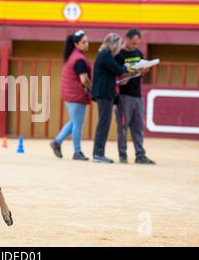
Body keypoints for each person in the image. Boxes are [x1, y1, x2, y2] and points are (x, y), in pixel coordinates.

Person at [115, 29, 155, 165]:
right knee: (122, 127)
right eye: (133, 43)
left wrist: (144, 70)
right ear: (126, 39)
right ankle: (122, 154)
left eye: (137, 44)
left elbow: (141, 69)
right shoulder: (118, 54)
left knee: (138, 126)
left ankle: (140, 154)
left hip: (137, 95)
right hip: (123, 95)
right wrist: (125, 75)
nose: (135, 46)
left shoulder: (138, 53)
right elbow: (116, 73)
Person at [50, 30, 92, 161]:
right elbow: (84, 80)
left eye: (87, 41)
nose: (87, 44)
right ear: (76, 44)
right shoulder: (79, 59)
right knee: (78, 124)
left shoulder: (73, 56)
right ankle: (77, 152)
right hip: (76, 95)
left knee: (74, 122)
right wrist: (93, 89)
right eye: (84, 42)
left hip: (70, 95)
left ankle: (57, 142)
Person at [91, 33, 133, 164]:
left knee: (104, 122)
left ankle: (98, 153)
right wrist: (126, 67)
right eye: (119, 46)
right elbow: (119, 70)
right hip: (104, 93)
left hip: (104, 93)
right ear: (114, 45)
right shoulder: (106, 55)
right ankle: (98, 154)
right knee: (104, 123)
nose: (120, 49)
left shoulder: (105, 55)